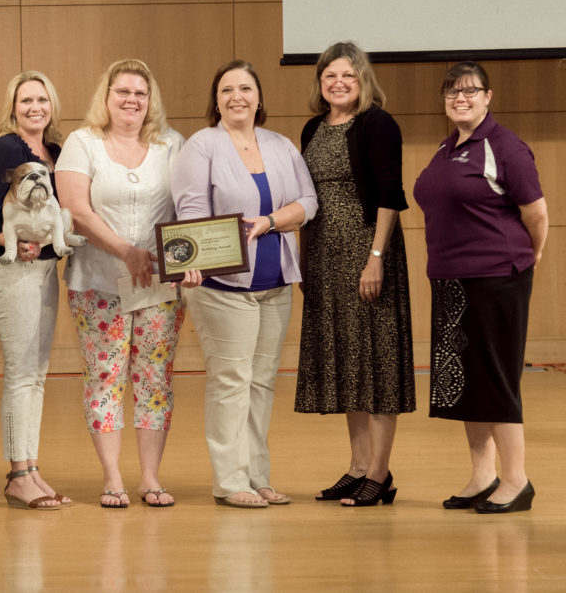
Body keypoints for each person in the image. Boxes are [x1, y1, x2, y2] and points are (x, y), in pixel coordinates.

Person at [172, 60, 317, 508]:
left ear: (259, 97)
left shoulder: (280, 145)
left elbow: (307, 201)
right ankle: (230, 480)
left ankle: (258, 475)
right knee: (232, 380)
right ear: (215, 100)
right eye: (228, 89)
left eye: (246, 88)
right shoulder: (202, 145)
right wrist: (192, 260)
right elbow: (191, 211)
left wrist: (272, 221)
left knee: (262, 382)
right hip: (222, 287)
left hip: (275, 285)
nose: (238, 96)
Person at [414, 61, 547, 514]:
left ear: (488, 96)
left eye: (470, 91)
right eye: (452, 92)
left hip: (496, 279)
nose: (460, 98)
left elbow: (537, 214)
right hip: (451, 282)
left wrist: (531, 255)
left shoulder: (506, 147)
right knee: (466, 383)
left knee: (495, 379)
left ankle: (516, 480)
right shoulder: (449, 146)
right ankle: (483, 476)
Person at [55, 58, 185, 508]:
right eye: (122, 92)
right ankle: (113, 478)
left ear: (151, 102)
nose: (131, 100)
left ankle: (150, 478)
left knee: (155, 381)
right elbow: (75, 208)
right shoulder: (81, 142)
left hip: (159, 287)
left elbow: (190, 208)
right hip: (97, 282)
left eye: (140, 94)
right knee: (106, 378)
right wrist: (126, 252)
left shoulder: (173, 144)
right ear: (106, 97)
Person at [294, 41, 415, 507]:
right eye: (330, 76)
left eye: (348, 75)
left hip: (369, 256)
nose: (339, 83)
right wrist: (305, 261)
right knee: (350, 363)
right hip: (325, 258)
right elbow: (308, 201)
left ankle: (380, 474)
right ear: (320, 84)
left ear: (363, 80)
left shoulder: (377, 124)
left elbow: (390, 194)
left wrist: (376, 257)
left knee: (378, 363)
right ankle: (359, 467)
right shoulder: (312, 128)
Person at [0, 71, 69, 510]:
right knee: (21, 374)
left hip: (46, 273)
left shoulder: (57, 151)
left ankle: (31, 469)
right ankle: (16, 474)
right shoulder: (3, 151)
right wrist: (16, 244)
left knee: (37, 375)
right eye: (26, 100)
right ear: (12, 107)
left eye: (42, 100)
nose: (35, 108)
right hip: (13, 273)